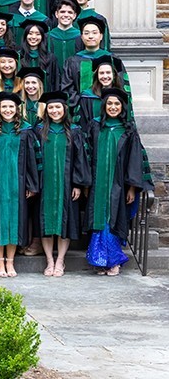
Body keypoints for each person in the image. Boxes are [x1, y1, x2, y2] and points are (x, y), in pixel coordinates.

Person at [84, 88, 151, 276]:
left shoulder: (128, 130)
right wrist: (86, 182)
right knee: (99, 218)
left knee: (113, 217)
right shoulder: (95, 126)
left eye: (117, 104)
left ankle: (113, 260)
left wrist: (131, 188)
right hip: (98, 184)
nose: (113, 107)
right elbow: (86, 155)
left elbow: (135, 161)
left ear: (122, 107)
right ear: (104, 106)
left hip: (118, 184)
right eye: (110, 103)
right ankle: (98, 259)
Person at [0, 92, 40, 278]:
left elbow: (32, 159)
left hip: (18, 183)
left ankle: (10, 261)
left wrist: (31, 184)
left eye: (11, 107)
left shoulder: (26, 130)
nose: (7, 110)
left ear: (17, 109)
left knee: (15, 221)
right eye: (4, 107)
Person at [34, 91, 89, 277]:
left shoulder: (74, 131)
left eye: (58, 107)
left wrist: (77, 184)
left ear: (64, 109)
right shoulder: (39, 130)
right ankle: (49, 260)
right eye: (51, 108)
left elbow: (80, 160)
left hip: (66, 186)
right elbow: (33, 160)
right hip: (45, 185)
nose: (54, 110)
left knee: (65, 224)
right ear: (46, 110)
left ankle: (60, 260)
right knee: (45, 223)